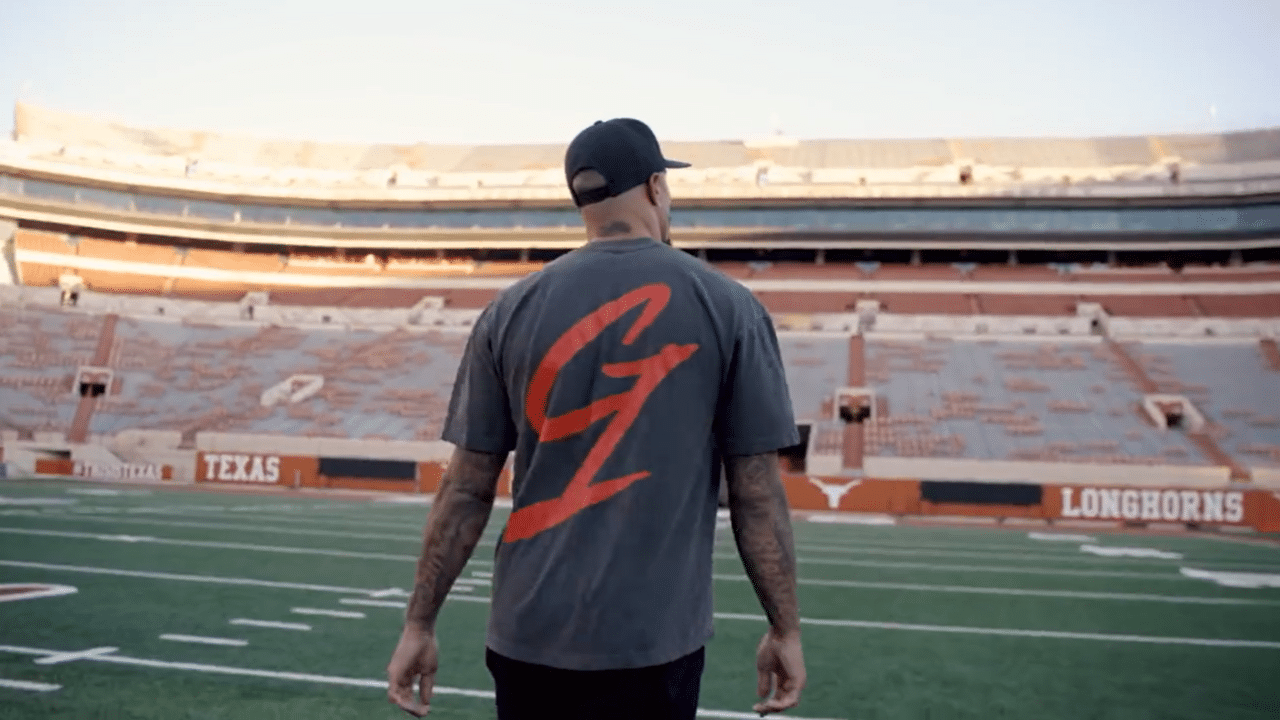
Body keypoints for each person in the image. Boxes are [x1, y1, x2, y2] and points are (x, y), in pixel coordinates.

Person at [386, 118, 806, 720]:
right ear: (656, 187)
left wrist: (419, 623)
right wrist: (784, 629)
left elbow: (465, 487)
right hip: (653, 640)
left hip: (526, 635)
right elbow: (757, 495)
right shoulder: (730, 307)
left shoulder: (509, 310)